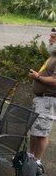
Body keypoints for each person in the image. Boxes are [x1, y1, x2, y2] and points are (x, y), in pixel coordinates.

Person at [28, 27, 56, 167]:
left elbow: (55, 80)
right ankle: (30, 157)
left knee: (42, 133)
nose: (49, 39)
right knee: (35, 130)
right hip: (41, 99)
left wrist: (37, 76)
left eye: (53, 37)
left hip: (48, 101)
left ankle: (36, 162)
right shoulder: (53, 56)